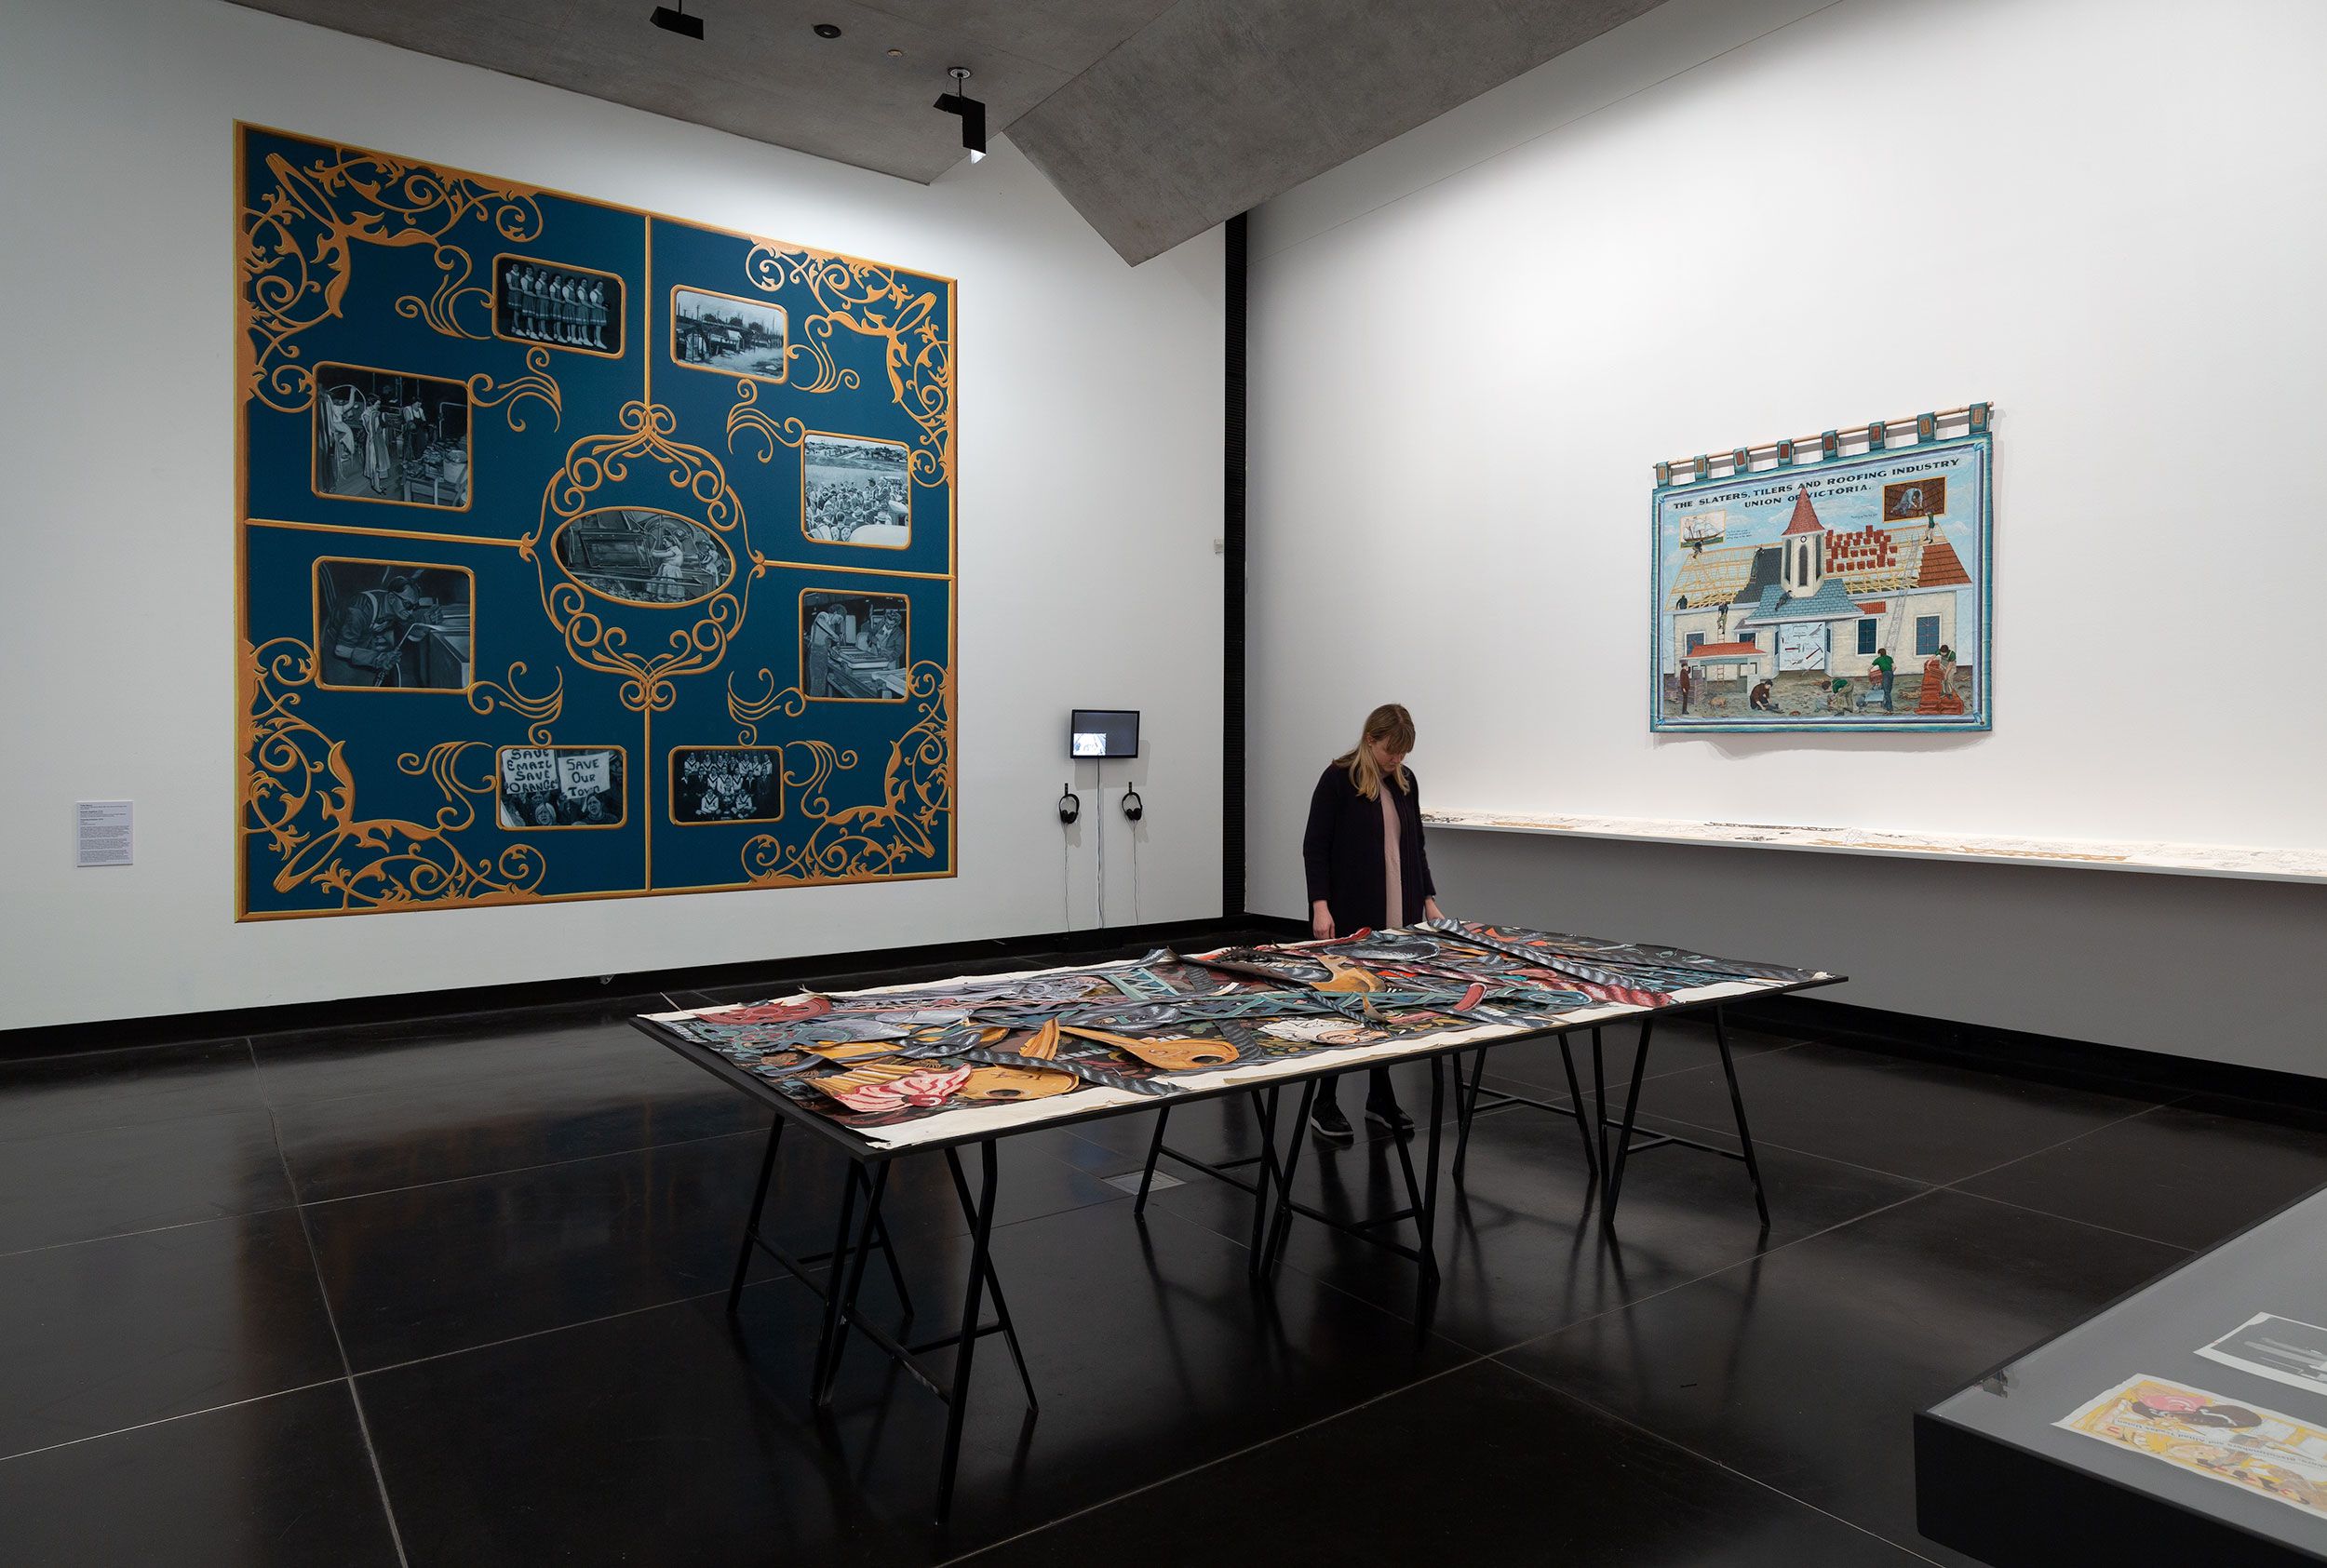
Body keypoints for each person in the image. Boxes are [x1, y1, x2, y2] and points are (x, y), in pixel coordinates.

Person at [1299, 703, 1444, 1145]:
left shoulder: (1404, 781)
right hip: (1351, 910)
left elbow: (1416, 844)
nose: (1396, 759)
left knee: (1385, 1002)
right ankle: (1325, 1100)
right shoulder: (1337, 779)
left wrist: (1430, 900)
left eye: (1403, 752)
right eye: (1389, 750)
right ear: (1370, 740)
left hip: (1399, 911)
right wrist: (1320, 905)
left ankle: (1380, 1096)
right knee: (1344, 1001)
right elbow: (1315, 847)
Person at [1872, 646, 1895, 712]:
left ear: (1879, 654)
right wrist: (1890, 672)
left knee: (1886, 691)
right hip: (1891, 674)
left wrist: (1869, 675)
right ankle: (1886, 705)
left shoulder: (1878, 659)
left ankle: (1889, 708)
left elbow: (1869, 668)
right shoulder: (1889, 658)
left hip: (1885, 674)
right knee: (1889, 691)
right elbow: (1895, 667)